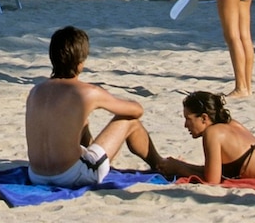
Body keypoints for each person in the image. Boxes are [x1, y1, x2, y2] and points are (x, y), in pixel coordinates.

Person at [25, 26, 164, 187]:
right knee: (129, 121)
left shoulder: (35, 91)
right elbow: (137, 110)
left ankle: (92, 153)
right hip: (71, 176)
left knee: (80, 120)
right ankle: (160, 164)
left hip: (36, 175)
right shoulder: (87, 93)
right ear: (80, 64)